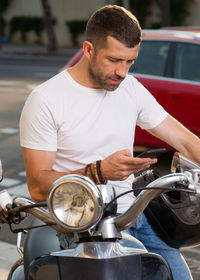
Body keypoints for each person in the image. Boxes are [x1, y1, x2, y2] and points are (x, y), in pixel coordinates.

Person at [19, 5, 200, 280]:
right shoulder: (47, 100)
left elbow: (185, 142)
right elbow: (36, 185)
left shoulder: (131, 88)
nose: (122, 72)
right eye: (114, 60)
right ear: (89, 49)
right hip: (81, 226)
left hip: (134, 217)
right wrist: (98, 171)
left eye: (130, 61)